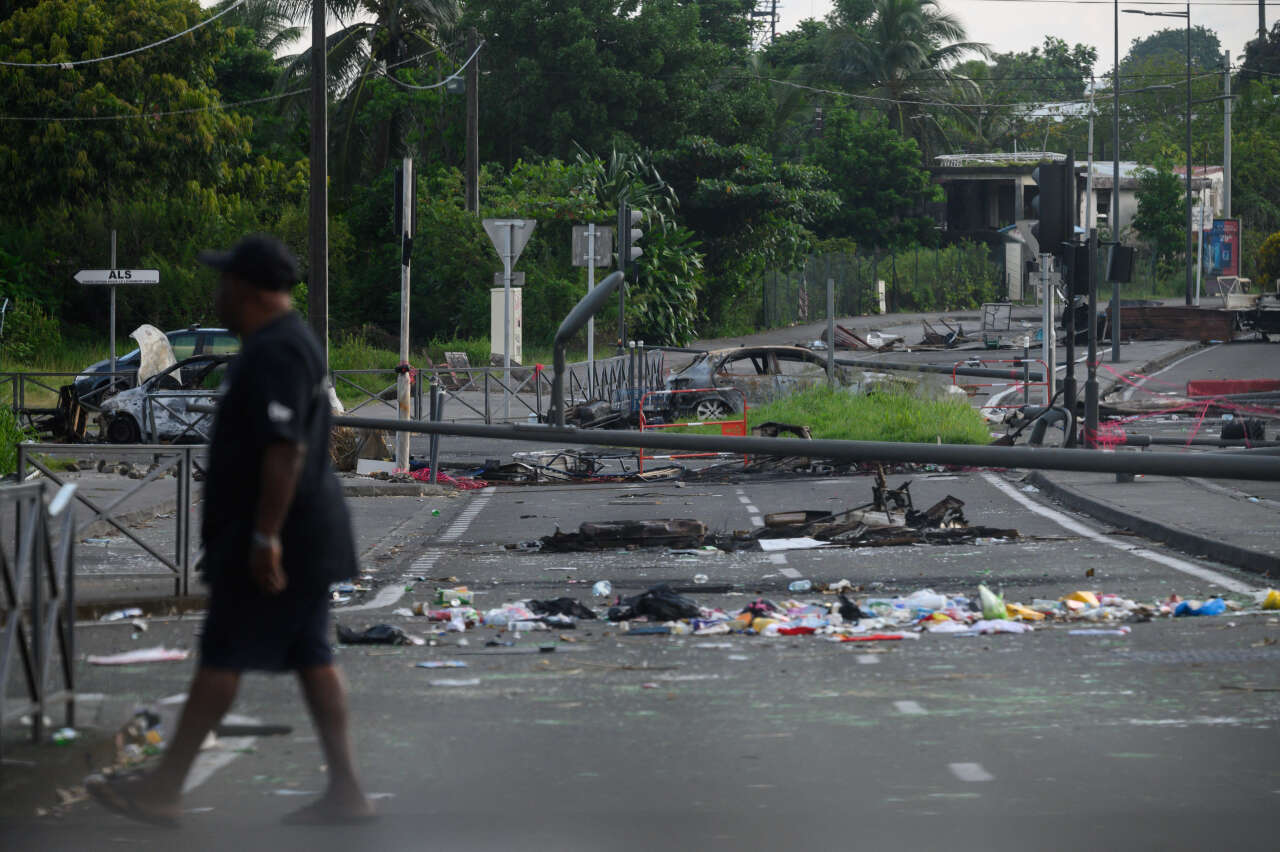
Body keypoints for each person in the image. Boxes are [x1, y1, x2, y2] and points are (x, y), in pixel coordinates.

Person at [86, 235, 374, 827]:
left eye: (225, 282)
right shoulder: (286, 344)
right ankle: (348, 789)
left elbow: (283, 449)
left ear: (247, 288)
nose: (218, 294)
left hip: (276, 537)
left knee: (223, 654)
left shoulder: (276, 351)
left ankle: (165, 786)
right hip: (300, 533)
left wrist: (264, 537)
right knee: (311, 653)